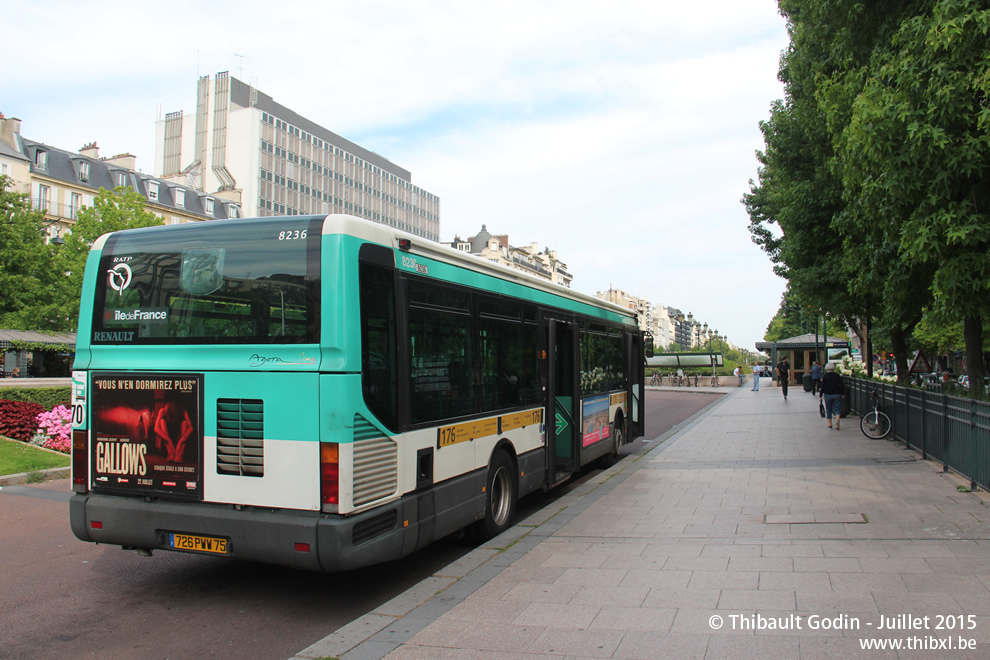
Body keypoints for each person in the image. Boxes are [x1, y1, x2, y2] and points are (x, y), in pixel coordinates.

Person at [155, 394, 194, 463]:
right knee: (162, 421)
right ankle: (170, 454)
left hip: (179, 442)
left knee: (184, 423)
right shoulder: (162, 411)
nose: (172, 422)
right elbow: (156, 429)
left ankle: (180, 455)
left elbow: (191, 428)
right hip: (167, 444)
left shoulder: (182, 411)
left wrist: (181, 441)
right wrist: (169, 441)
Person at [820, 362, 845, 429]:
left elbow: (823, 386)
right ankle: (837, 420)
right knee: (837, 408)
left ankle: (830, 424)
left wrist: (820, 395)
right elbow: (841, 385)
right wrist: (842, 393)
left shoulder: (825, 376)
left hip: (827, 394)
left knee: (828, 409)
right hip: (837, 394)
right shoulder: (837, 375)